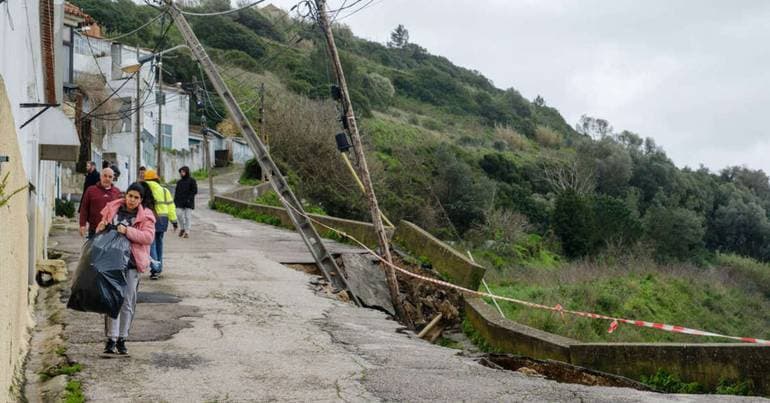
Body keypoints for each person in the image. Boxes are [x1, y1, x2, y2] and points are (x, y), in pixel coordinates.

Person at [94, 182, 156, 355]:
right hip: (111, 262)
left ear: (141, 200)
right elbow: (101, 229)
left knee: (127, 302)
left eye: (136, 198)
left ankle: (122, 338)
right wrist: (101, 228)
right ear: (125, 195)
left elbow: (148, 237)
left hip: (131, 264)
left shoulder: (146, 216)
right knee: (112, 300)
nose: (132, 200)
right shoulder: (113, 209)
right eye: (130, 196)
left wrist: (127, 231)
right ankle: (111, 339)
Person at [142, 169, 177, 280]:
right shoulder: (165, 191)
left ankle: (155, 268)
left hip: (150, 218)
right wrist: (174, 221)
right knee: (159, 243)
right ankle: (159, 267)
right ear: (156, 178)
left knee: (151, 244)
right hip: (163, 219)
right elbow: (171, 206)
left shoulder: (144, 188)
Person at [79, 168, 121, 239]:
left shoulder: (117, 192)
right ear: (100, 176)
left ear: (113, 178)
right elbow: (84, 208)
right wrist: (82, 225)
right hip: (94, 229)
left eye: (110, 177)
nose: (107, 178)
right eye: (105, 176)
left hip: (111, 231)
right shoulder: (91, 190)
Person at [174, 166, 198, 238]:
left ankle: (187, 232)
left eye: (183, 172)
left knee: (188, 217)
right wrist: (175, 201)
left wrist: (189, 198)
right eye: (181, 172)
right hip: (180, 202)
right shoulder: (179, 182)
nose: (182, 173)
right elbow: (177, 192)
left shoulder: (192, 180)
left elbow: (194, 191)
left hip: (188, 202)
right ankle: (182, 228)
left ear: (187, 172)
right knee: (178, 214)